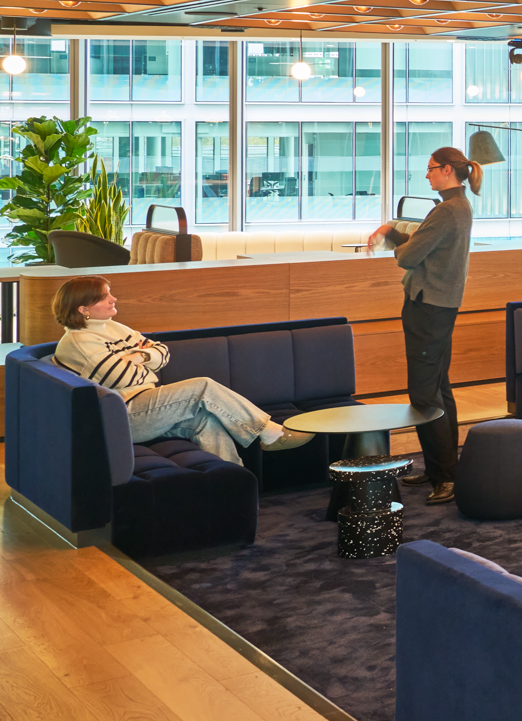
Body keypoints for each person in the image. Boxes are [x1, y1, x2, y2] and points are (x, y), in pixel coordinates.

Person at [49, 276, 312, 464]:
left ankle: (232, 485)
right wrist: (144, 361)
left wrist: (137, 356)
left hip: (147, 405)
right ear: (83, 309)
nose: (113, 299)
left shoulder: (114, 327)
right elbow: (124, 377)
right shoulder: (78, 342)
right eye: (104, 296)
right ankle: (268, 432)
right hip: (123, 416)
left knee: (207, 421)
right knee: (203, 387)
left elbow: (162, 352)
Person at [366, 146, 476, 504]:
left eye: (430, 169)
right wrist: (393, 230)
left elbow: (408, 257)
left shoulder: (446, 211)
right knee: (439, 389)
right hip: (438, 307)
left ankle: (446, 477)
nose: (426, 175)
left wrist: (396, 242)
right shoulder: (456, 207)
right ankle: (442, 469)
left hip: (428, 309)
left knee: (424, 394)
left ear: (447, 170)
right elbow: (418, 245)